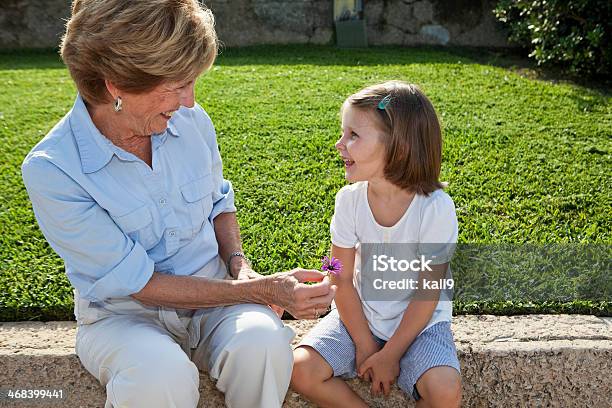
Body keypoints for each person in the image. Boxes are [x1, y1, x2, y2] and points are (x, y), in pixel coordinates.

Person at [20, 1, 335, 407]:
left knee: (263, 341)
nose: (189, 100)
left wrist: (240, 268)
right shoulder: (54, 169)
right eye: (178, 84)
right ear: (117, 84)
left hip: (216, 303)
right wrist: (263, 290)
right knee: (157, 374)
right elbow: (141, 285)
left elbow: (219, 200)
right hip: (123, 318)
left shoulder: (191, 121)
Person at [290, 81, 462, 407]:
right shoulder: (348, 201)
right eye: (343, 133)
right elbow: (337, 273)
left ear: (398, 147)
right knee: (301, 370)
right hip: (361, 317)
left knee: (445, 391)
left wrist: (392, 353)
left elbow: (428, 293)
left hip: (421, 325)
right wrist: (365, 344)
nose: (339, 144)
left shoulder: (435, 208)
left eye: (353, 135)